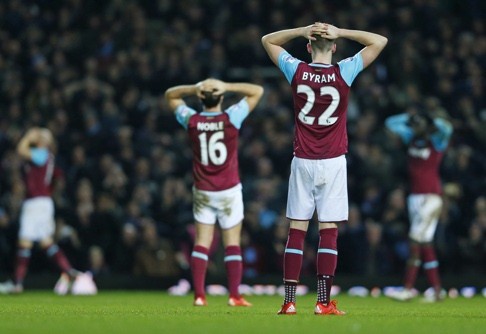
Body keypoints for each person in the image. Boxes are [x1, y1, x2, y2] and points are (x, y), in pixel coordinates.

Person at [261, 22, 387, 315]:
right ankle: (322, 302)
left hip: (302, 159)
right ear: (333, 47)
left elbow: (268, 40)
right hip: (332, 161)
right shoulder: (344, 70)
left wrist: (301, 29)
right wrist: (341, 32)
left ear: (307, 46)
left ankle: (289, 302)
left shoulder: (297, 70)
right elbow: (379, 40)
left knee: (296, 230)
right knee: (328, 231)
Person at [165, 78, 264, 306]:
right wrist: (227, 86)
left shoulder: (192, 120)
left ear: (201, 98)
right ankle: (234, 295)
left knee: (202, 242)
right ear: (220, 97)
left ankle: (199, 295)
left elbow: (171, 95)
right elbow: (257, 91)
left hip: (203, 190)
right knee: (232, 243)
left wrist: (194, 88)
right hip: (229, 189)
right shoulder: (231, 117)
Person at [0, 128, 81, 294]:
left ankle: (17, 283)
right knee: (45, 241)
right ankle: (68, 272)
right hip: (41, 202)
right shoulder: (42, 156)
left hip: (36, 202)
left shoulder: (42, 154)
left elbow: (21, 150)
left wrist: (28, 135)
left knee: (25, 241)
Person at [385, 108, 453, 302]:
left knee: (414, 239)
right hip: (414, 197)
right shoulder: (410, 138)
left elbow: (447, 127)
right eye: (416, 124)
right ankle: (437, 291)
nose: (417, 127)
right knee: (425, 244)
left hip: (432, 197)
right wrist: (410, 117)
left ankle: (407, 289)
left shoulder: (437, 141)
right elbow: (390, 123)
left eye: (420, 124)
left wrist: (431, 118)